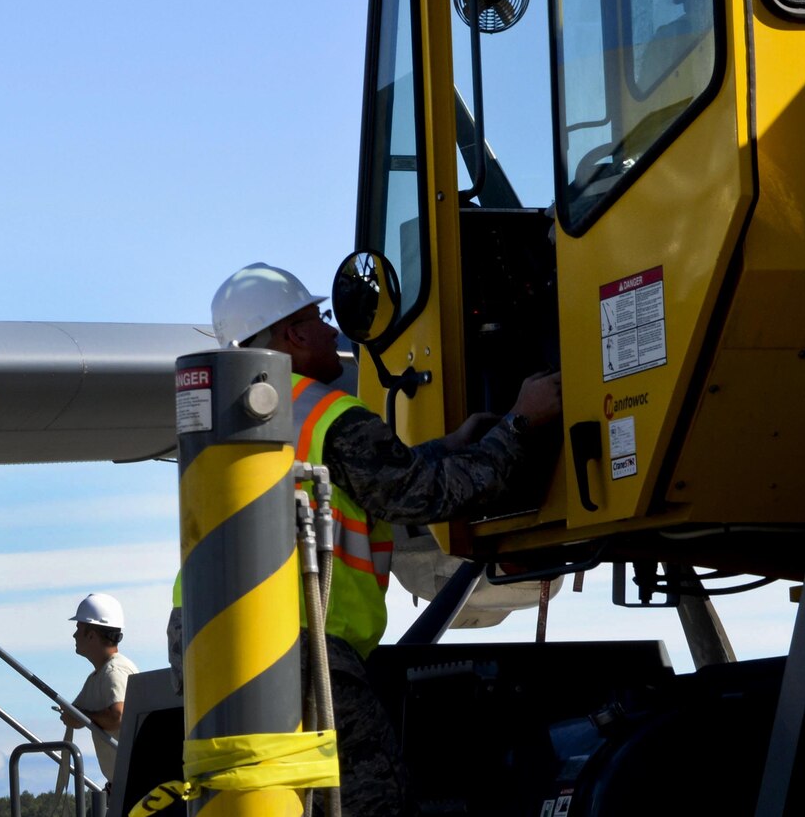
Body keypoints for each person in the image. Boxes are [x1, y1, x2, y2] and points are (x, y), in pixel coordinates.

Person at [180, 262, 562, 817]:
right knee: (369, 795)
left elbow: (361, 481)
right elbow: (418, 498)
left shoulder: (242, 412)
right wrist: (520, 425)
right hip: (296, 639)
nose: (334, 333)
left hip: (208, 633)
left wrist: (446, 445)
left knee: (259, 788)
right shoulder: (329, 410)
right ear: (291, 333)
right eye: (318, 319)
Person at [60, 592, 136, 795]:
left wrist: (79, 716)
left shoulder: (114, 672)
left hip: (133, 787)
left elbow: (117, 716)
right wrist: (73, 715)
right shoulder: (99, 676)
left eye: (79, 629)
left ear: (92, 635)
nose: (74, 635)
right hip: (125, 786)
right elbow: (77, 714)